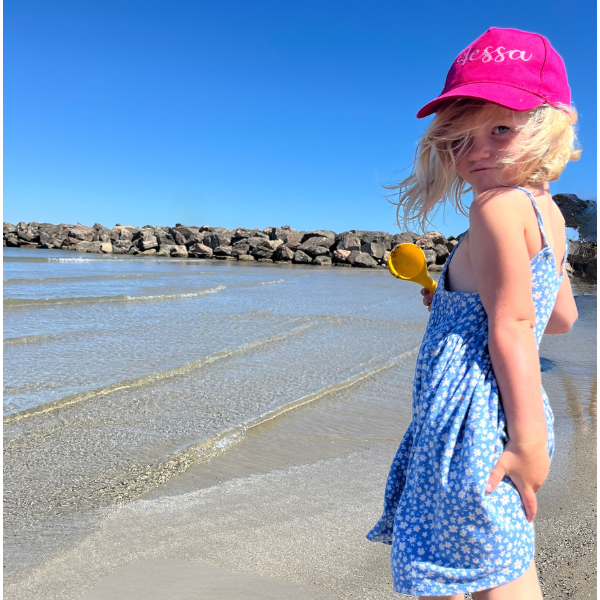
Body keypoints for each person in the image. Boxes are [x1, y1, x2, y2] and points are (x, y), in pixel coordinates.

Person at [366, 27, 580, 599]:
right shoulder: (547, 214)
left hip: (470, 421)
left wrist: (528, 441)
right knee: (498, 561)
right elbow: (556, 318)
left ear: (549, 127)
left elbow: (512, 326)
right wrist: (455, 308)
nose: (476, 151)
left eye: (500, 129)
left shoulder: (495, 208)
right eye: (459, 139)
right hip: (507, 411)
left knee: (465, 572)